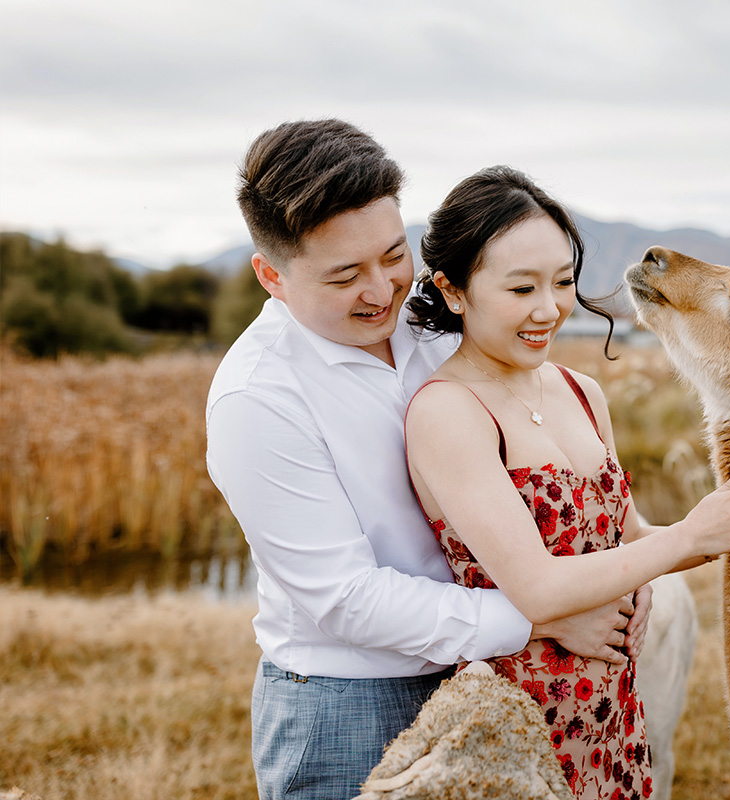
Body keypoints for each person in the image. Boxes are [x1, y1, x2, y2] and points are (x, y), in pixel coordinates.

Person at [206, 121, 642, 800]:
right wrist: (537, 614)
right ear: (273, 277)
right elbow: (346, 599)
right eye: (345, 275)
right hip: (351, 699)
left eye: (391, 255)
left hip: (500, 672)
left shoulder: (434, 315)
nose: (382, 291)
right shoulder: (255, 398)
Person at [404, 165, 730, 799]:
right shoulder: (445, 412)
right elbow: (536, 589)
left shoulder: (581, 393)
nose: (549, 309)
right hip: (518, 726)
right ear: (454, 292)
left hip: (614, 715)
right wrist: (680, 542)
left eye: (563, 282)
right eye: (520, 289)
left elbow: (631, 538)